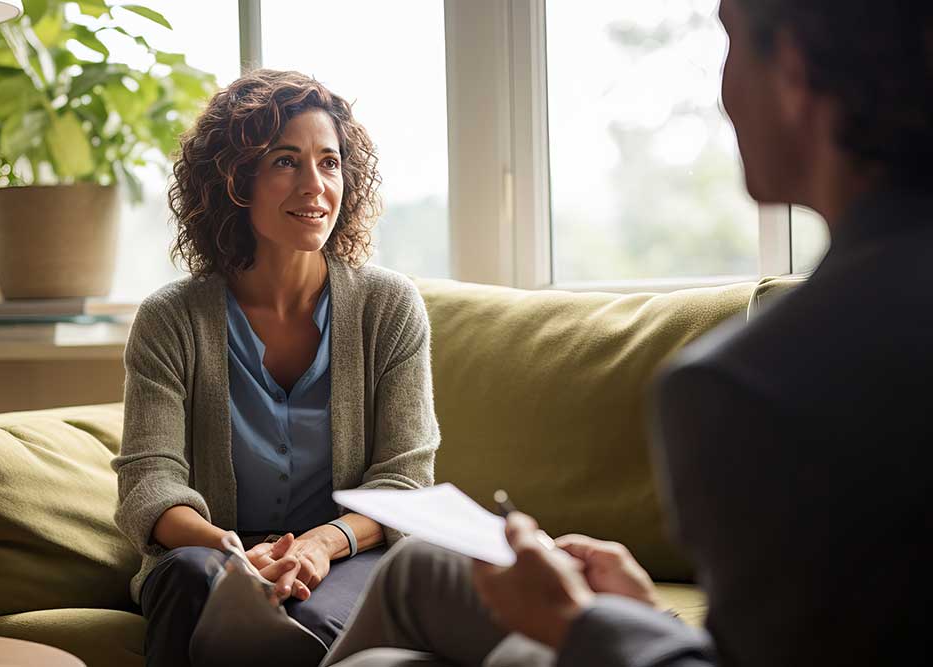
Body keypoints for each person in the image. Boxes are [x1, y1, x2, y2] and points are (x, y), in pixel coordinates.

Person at [320, 0, 933, 665]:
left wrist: (576, 621)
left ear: (791, 71)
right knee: (417, 572)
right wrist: (647, 615)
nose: (723, 94)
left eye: (728, 44)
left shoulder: (750, 388)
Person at [111, 69, 439, 667]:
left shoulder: (388, 307)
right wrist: (230, 550)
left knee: (309, 620)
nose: (316, 186)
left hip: (348, 557)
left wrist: (320, 544)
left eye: (330, 163)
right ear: (235, 181)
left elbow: (405, 482)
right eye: (286, 162)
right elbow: (148, 484)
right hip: (207, 555)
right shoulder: (170, 318)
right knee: (191, 581)